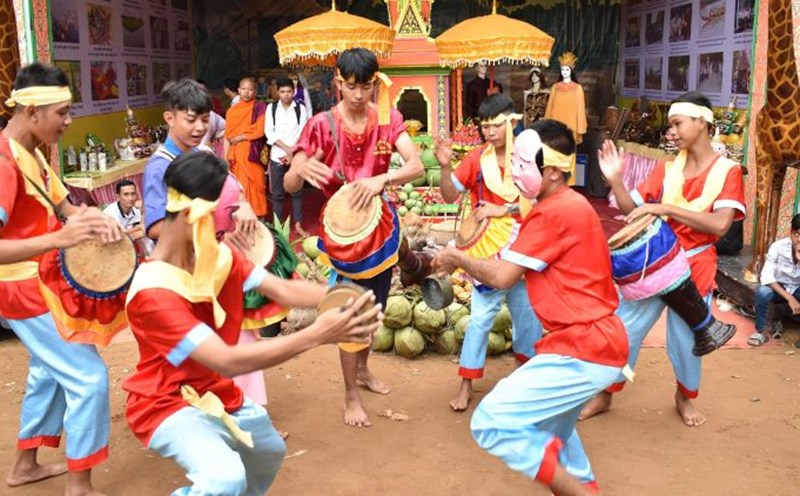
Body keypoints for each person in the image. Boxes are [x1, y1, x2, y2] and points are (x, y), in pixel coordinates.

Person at [123, 151, 381, 495]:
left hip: (216, 390)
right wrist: (318, 334)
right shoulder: (153, 292)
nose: (237, 224)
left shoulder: (218, 257)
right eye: (229, 213)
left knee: (268, 453)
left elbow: (282, 288)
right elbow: (226, 360)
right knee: (224, 477)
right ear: (192, 216)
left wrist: (347, 296)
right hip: (167, 403)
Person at [432, 121, 628, 496]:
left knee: (491, 422)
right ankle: (581, 484)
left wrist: (458, 257)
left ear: (552, 171)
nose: (515, 172)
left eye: (523, 164)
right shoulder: (562, 204)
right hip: (590, 342)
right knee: (560, 437)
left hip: (584, 346)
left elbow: (504, 276)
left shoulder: (556, 211)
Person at [581, 91, 746, 427]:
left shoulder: (728, 171)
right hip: (653, 266)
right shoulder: (667, 167)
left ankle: (684, 398)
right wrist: (615, 180)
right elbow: (634, 212)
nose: (671, 131)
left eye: (677, 123)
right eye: (671, 124)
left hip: (695, 267)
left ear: (702, 122)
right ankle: (605, 393)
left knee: (686, 340)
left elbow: (720, 224)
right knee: (624, 330)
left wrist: (666, 208)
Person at [0, 62, 122, 496]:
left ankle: (24, 466)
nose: (69, 122)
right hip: (23, 290)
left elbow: (68, 209)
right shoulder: (3, 163)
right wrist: (59, 237)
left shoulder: (28, 152)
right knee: (88, 379)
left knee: (48, 372)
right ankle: (80, 486)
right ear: (32, 113)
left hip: (38, 282)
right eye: (63, 113)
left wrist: (99, 219)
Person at [286, 47, 425, 427]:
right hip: (344, 237)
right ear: (338, 84)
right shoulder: (320, 125)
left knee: (375, 310)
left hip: (379, 230)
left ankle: (362, 370)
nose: (359, 95)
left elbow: (414, 165)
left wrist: (383, 178)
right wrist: (299, 168)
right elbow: (289, 182)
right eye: (351, 86)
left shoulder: (388, 118)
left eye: (366, 86)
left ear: (374, 84)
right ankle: (350, 393)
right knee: (350, 313)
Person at [433, 93, 542, 411]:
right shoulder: (477, 158)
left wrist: (503, 208)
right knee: (479, 319)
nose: (490, 133)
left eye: (496, 126)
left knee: (528, 321)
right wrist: (444, 167)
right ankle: (466, 384)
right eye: (485, 127)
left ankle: (524, 380)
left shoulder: (532, 155)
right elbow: (451, 195)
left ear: (512, 122)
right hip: (486, 253)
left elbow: (544, 199)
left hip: (525, 248)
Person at [265, 76, 309, 234]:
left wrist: (292, 153)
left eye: (289, 91)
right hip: (277, 155)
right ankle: (278, 227)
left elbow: (303, 132)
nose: (286, 94)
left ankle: (298, 225)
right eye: (282, 91)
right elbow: (269, 132)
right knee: (277, 194)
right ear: (277, 92)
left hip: (295, 156)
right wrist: (286, 149)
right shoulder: (271, 108)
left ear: (294, 91)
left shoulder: (300, 109)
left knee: (297, 192)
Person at [749, 213, 800, 346]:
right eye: (797, 234)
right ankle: (762, 331)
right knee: (763, 292)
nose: (799, 239)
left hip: (798, 290)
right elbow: (766, 276)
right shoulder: (778, 247)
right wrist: (790, 298)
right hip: (779, 289)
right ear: (791, 233)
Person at [225, 75, 269, 218]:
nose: (246, 92)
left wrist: (241, 136)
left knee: (257, 185)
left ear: (254, 91)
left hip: (253, 153)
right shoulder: (231, 111)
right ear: (238, 90)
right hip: (237, 155)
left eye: (250, 89)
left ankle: (259, 217)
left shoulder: (260, 107)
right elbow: (228, 136)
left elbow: (259, 131)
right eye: (243, 89)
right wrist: (225, 157)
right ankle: (242, 218)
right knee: (240, 186)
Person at [544, 52, 587, 144]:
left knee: (570, 148)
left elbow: (580, 109)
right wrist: (548, 123)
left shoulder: (577, 88)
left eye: (567, 69)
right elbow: (550, 107)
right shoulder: (555, 87)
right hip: (557, 122)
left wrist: (580, 126)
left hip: (572, 123)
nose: (564, 72)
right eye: (562, 69)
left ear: (571, 70)